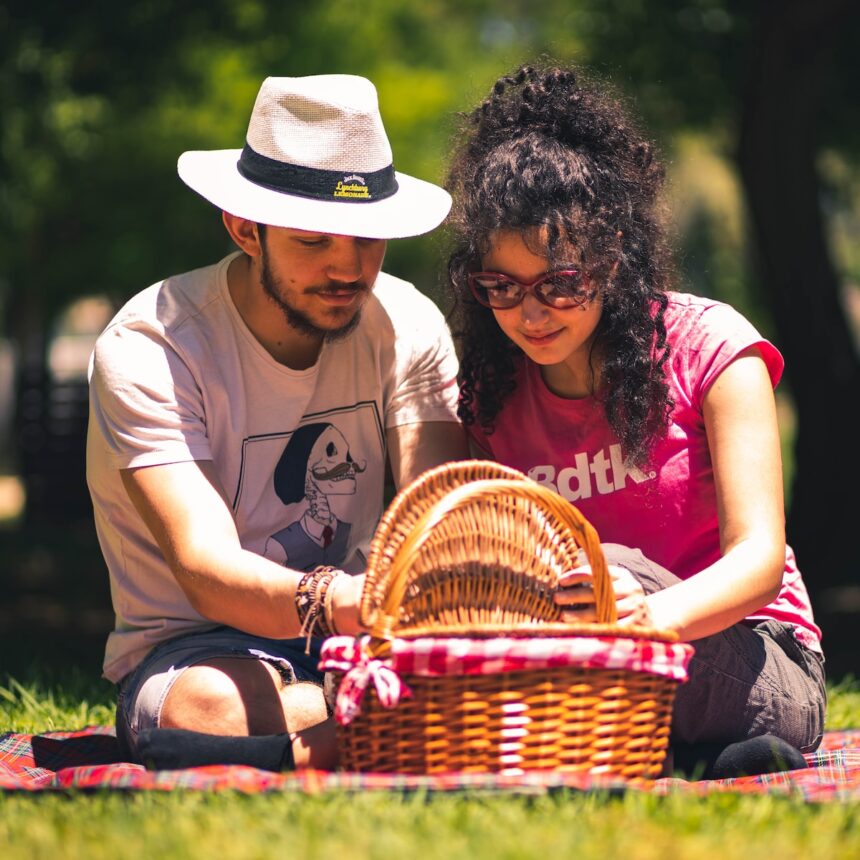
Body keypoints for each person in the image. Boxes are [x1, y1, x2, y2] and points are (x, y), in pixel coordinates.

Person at [446, 64, 825, 775]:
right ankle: (697, 760)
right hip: (584, 663)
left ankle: (692, 747)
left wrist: (644, 617)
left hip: (752, 658)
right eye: (501, 287)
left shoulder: (712, 347)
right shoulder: (489, 394)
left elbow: (759, 563)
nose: (530, 314)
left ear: (612, 258)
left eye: (560, 284)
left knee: (604, 564)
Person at [87, 74, 467, 771]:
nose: (348, 267)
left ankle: (330, 735)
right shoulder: (152, 345)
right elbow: (205, 569)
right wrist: (353, 603)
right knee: (217, 704)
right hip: (200, 644)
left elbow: (436, 517)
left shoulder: (407, 321)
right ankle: (372, 726)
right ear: (243, 229)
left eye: (367, 238)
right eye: (314, 240)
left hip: (363, 640)